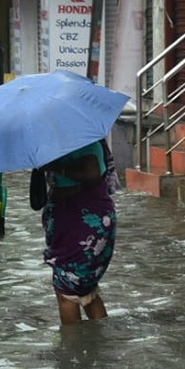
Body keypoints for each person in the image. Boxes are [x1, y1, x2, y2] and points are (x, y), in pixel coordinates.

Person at [30, 139, 117, 325]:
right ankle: (100, 345)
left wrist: (55, 166)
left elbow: (92, 172)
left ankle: (73, 349)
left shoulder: (82, 140)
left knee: (66, 291)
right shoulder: (60, 140)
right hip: (73, 222)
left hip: (83, 223)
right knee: (85, 290)